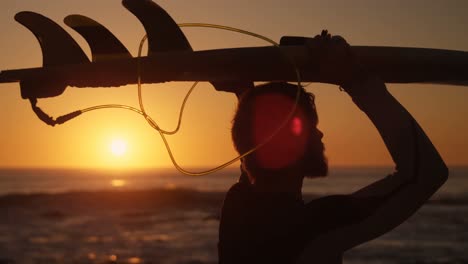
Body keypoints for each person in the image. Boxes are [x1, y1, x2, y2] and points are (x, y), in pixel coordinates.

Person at [218, 31, 448, 264]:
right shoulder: (312, 227)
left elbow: (258, 150)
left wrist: (246, 94)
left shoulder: (237, 209)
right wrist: (353, 78)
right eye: (310, 127)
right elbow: (425, 174)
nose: (320, 133)